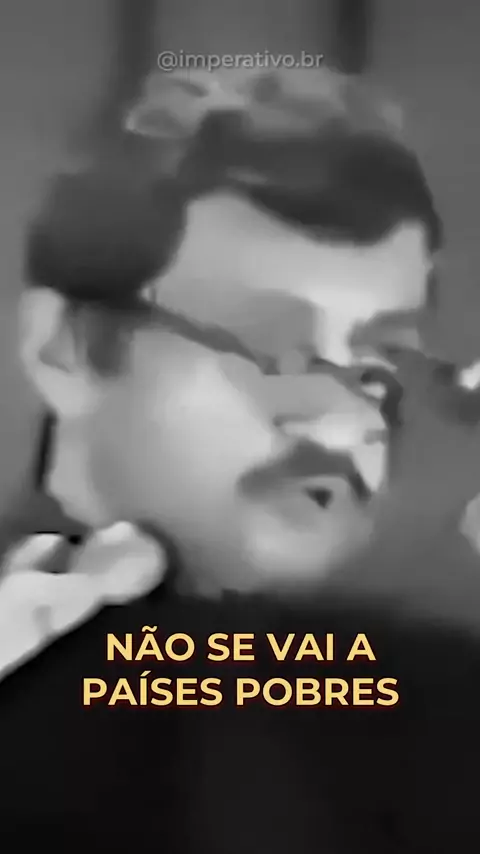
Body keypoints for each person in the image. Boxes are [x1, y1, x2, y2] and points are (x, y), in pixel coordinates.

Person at [1, 67, 480, 851]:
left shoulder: (437, 702)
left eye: (377, 364)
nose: (339, 424)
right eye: (270, 348)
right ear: (67, 349)